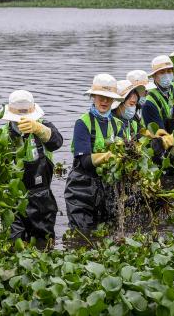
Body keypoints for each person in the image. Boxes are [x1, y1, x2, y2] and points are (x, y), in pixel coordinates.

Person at [2, 90, 63, 247]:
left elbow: (57, 142)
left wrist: (38, 128)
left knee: (45, 249)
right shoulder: (1, 135)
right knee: (14, 249)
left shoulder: (44, 127)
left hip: (42, 201)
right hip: (13, 203)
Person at [64, 74, 123, 233]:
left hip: (107, 186)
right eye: (100, 97)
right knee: (83, 235)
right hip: (81, 188)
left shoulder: (118, 125)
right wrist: (106, 157)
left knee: (107, 230)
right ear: (93, 97)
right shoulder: (83, 123)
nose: (104, 101)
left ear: (113, 101)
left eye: (108, 98)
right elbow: (84, 162)